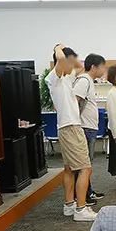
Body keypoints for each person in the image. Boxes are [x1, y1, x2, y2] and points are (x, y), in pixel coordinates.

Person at [46, 44, 97, 222]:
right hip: (70, 127)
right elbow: (60, 59)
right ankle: (81, 209)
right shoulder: (54, 78)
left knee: (69, 169)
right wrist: (58, 47)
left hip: (69, 126)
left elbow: (79, 66)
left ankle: (69, 205)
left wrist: (73, 58)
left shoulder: (68, 78)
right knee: (85, 168)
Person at [73, 53, 106, 204]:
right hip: (84, 127)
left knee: (87, 164)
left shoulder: (88, 81)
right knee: (83, 165)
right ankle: (82, 196)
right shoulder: (84, 80)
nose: (104, 70)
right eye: (102, 67)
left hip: (89, 127)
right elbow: (75, 101)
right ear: (93, 67)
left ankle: (88, 191)